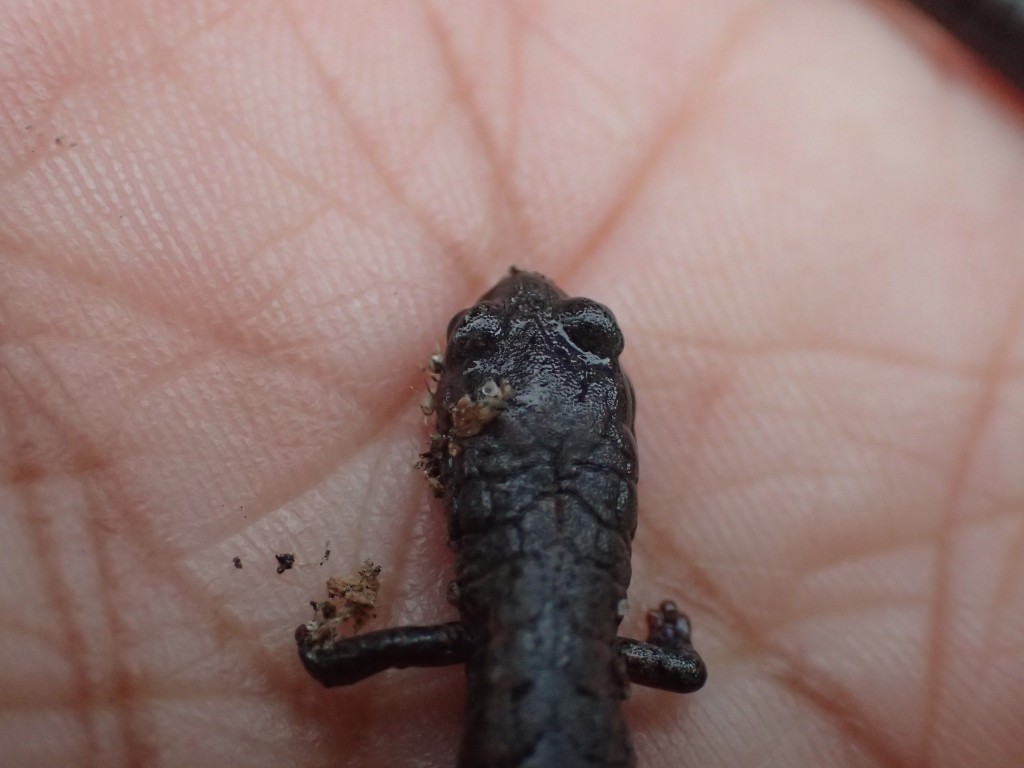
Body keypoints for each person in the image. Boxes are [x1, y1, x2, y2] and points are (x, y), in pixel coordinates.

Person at [1, 3, 1021, 766]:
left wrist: (322, 639)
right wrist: (665, 635)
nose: (524, 305)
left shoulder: (567, 639)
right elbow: (686, 670)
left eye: (583, 337)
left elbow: (329, 667)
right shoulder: (541, 636)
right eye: (483, 345)